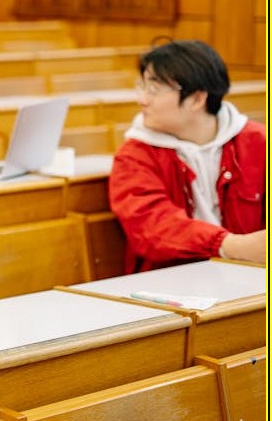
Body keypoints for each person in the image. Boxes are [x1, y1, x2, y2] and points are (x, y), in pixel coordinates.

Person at [109, 39, 266, 273]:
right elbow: (154, 226)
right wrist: (230, 245)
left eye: (154, 89)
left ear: (196, 99)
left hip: (248, 277)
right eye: (142, 86)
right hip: (170, 282)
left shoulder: (257, 142)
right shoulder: (135, 155)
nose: (141, 99)